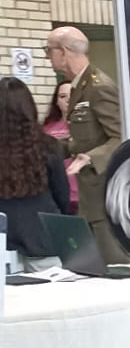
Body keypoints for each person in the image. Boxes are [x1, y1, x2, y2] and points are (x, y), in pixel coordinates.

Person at [44, 26, 123, 263]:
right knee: (91, 268)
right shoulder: (78, 86)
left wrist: (90, 157)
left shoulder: (99, 86)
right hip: (88, 199)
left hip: (104, 197)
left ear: (64, 51)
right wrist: (43, 147)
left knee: (115, 268)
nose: (47, 57)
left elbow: (122, 137)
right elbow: (81, 140)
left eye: (48, 50)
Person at [0, 75, 71, 262]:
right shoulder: (48, 146)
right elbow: (62, 195)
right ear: (29, 108)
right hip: (43, 238)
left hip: (3, 243)